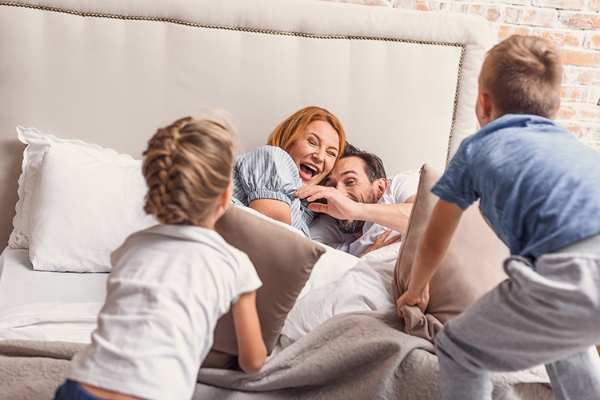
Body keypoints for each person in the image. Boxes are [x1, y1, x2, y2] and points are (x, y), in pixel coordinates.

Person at [396, 35, 600, 400]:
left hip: (568, 272)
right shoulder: (574, 147)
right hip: (581, 283)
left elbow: (434, 238)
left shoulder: (477, 148)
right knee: (566, 335)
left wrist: (415, 289)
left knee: (458, 348)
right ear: (554, 108)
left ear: (484, 104)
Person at [53, 117, 267, 400]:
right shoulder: (235, 264)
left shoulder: (130, 247)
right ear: (226, 196)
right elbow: (252, 361)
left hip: (81, 387)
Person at [232, 106, 346, 237]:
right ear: (289, 138)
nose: (320, 157)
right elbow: (274, 239)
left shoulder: (307, 208)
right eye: (312, 142)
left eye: (330, 153)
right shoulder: (273, 157)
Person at [297, 143, 417, 257]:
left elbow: (422, 219)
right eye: (331, 187)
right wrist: (364, 259)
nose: (338, 193)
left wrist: (356, 210)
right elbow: (306, 256)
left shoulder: (397, 185)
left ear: (380, 188)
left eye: (350, 182)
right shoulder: (329, 224)